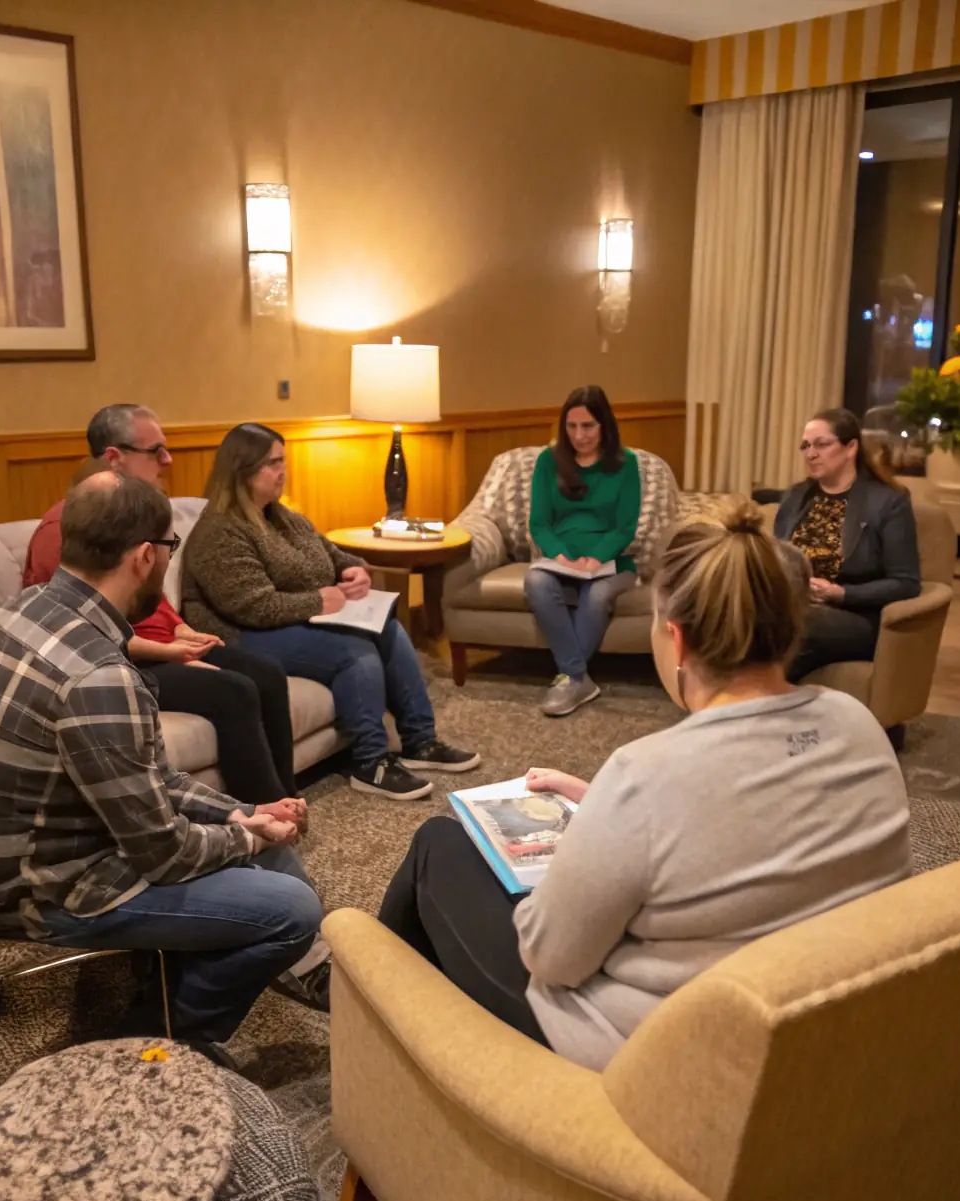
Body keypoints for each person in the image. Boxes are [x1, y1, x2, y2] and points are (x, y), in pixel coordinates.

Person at [378, 498, 912, 1071]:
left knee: (438, 844)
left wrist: (566, 868)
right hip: (818, 1035)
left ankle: (386, 1036)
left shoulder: (647, 773)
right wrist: (604, 808)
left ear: (677, 641)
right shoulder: (859, 724)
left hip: (652, 1060)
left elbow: (550, 959)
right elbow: (752, 816)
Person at [0, 472, 328, 1055]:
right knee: (293, 908)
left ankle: (290, 963)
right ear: (146, 555)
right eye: (168, 549)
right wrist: (247, 838)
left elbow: (149, 778)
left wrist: (244, 814)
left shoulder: (23, 609)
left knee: (259, 833)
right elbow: (166, 852)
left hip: (0, 859)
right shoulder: (101, 678)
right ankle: (152, 1036)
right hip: (34, 894)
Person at [181, 423, 480, 801]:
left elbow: (332, 555)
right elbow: (251, 606)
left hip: (297, 620)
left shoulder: (281, 515)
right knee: (354, 651)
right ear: (244, 469)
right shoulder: (220, 531)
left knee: (387, 627)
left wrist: (352, 570)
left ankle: (420, 740)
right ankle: (370, 763)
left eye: (283, 461)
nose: (283, 471)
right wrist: (320, 601)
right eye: (273, 463)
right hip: (241, 637)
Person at [24, 403, 300, 805]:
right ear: (115, 458)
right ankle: (264, 812)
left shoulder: (133, 520)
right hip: (120, 661)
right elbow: (77, 635)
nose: (168, 461)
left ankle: (287, 798)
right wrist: (171, 653)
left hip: (161, 647)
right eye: (156, 451)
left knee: (267, 673)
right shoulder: (67, 529)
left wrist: (184, 632)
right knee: (234, 691)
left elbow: (154, 602)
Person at [775, 407, 921, 684]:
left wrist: (841, 593)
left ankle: (751, 709)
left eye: (821, 444)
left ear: (851, 447)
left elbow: (906, 582)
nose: (811, 453)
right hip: (793, 604)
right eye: (805, 446)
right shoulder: (796, 496)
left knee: (792, 626)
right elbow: (778, 556)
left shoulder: (889, 502)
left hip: (855, 615)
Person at [525, 386, 643, 717]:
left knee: (596, 596)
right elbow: (539, 524)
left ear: (604, 424)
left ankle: (570, 678)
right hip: (559, 560)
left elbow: (624, 527)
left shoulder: (626, 463)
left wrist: (597, 558)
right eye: (572, 426)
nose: (580, 435)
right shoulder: (549, 461)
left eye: (588, 426)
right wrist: (561, 555)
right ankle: (578, 677)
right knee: (536, 582)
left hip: (611, 562)